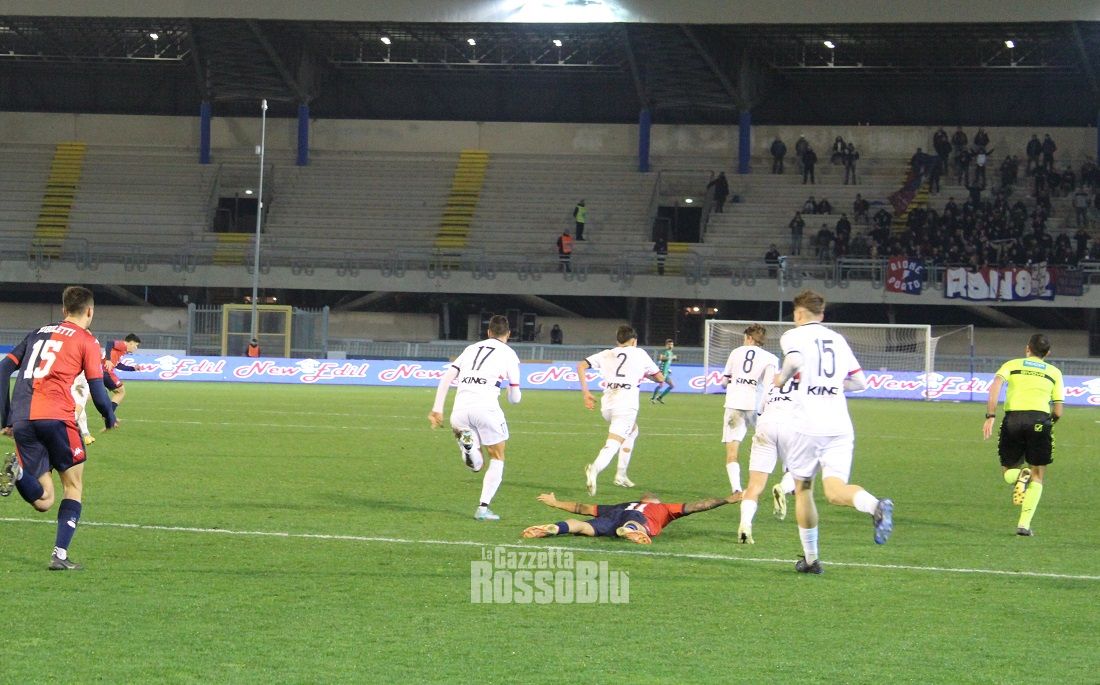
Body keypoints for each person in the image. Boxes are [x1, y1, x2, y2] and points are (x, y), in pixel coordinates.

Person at [0, 286, 118, 570]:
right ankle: (59, 556)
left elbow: (3, 369)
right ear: (90, 311)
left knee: (44, 500)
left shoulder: (36, 333)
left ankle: (18, 472)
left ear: (64, 310)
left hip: (23, 420)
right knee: (73, 486)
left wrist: (6, 419)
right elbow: (97, 389)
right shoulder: (86, 340)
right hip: (57, 417)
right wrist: (109, 416)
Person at [776, 289, 894, 574]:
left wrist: (781, 379)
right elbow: (860, 383)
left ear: (799, 314)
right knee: (835, 490)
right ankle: (875, 506)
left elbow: (793, 361)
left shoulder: (793, 336)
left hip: (807, 426)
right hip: (839, 425)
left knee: (803, 489)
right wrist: (831, 386)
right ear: (821, 314)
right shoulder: (838, 339)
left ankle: (811, 560)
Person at [428, 314, 522, 521]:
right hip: (487, 409)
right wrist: (511, 391)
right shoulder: (509, 354)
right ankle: (483, 508)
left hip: (460, 412)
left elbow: (447, 377)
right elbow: (515, 398)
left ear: (488, 332)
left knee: (477, 464)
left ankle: (469, 449)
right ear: (508, 334)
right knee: (497, 457)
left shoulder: (470, 349)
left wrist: (437, 409)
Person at [982, 334, 1064, 536]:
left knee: (1008, 472)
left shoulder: (1012, 364)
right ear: (1048, 353)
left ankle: (1019, 475)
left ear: (1027, 348)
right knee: (1038, 475)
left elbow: (996, 385)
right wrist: (1047, 425)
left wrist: (990, 415)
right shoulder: (1054, 372)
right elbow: (1058, 411)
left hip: (1013, 420)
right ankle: (1024, 525)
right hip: (1040, 420)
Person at [578, 325, 662, 493]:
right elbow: (659, 378)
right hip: (626, 405)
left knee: (632, 431)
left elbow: (581, 366)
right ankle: (594, 469)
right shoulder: (639, 353)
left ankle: (621, 475)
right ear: (634, 341)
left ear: (618, 341)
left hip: (608, 404)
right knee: (613, 442)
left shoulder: (607, 353)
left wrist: (586, 393)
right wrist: (648, 375)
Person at [521, 490, 741, 545]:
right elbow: (698, 506)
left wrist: (556, 503)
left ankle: (556, 528)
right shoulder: (662, 508)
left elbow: (583, 508)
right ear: (654, 500)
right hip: (635, 518)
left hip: (614, 515)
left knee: (582, 526)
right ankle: (631, 530)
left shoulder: (622, 504)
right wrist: (726, 500)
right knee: (636, 522)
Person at [719, 325, 779, 511]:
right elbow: (770, 387)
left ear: (750, 338)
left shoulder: (735, 353)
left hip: (734, 405)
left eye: (745, 337)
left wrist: (733, 384)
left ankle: (736, 490)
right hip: (757, 406)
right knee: (770, 444)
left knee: (732, 451)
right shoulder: (771, 358)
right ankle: (787, 483)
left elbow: (723, 382)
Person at [737, 371, 799, 544]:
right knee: (798, 471)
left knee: (754, 485)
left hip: (765, 426)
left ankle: (745, 524)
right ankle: (783, 488)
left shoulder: (774, 381)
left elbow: (760, 410)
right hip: (791, 426)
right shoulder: (807, 380)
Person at [102, 333, 141, 409]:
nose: (136, 348)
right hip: (106, 372)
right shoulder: (123, 345)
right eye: (136, 345)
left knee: (94, 393)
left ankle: (78, 406)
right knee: (121, 392)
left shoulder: (121, 351)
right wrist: (108, 360)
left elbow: (118, 365)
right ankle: (109, 414)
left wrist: (133, 368)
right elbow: (110, 343)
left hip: (100, 371)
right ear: (131, 343)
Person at [650, 339, 676, 404]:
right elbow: (661, 358)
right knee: (661, 385)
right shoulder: (665, 351)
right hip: (662, 371)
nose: (670, 346)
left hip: (666, 372)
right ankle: (653, 398)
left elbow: (667, 363)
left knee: (672, 386)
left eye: (672, 344)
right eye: (669, 344)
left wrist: (668, 370)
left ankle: (660, 397)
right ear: (666, 345)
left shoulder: (671, 353)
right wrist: (671, 358)